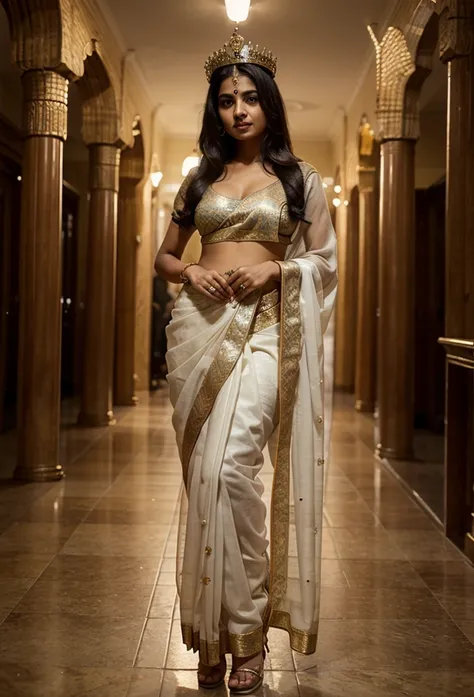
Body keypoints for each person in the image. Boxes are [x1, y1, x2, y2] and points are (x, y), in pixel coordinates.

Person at [154, 26, 337, 695]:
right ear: (216, 110)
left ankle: (248, 625)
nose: (239, 110)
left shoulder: (299, 179)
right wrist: (188, 274)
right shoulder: (198, 178)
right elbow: (164, 255)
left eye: (250, 98)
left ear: (269, 105)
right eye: (228, 99)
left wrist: (276, 273)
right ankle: (211, 632)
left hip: (265, 329)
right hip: (197, 330)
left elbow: (326, 261)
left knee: (232, 466)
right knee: (205, 474)